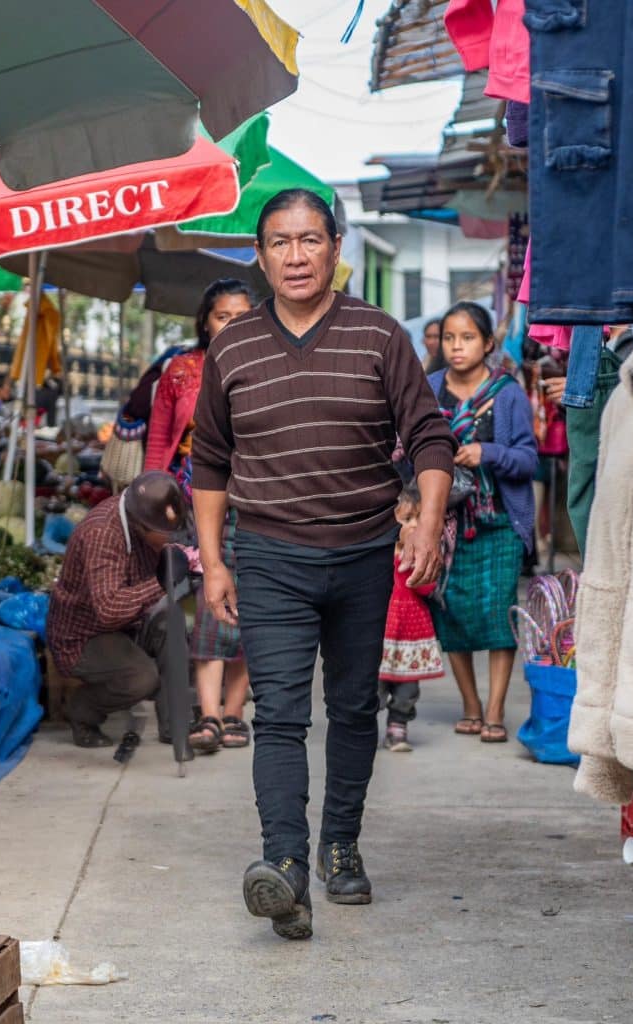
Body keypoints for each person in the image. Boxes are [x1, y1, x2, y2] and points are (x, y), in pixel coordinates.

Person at [191, 188, 455, 940]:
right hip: (270, 556)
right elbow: (209, 460)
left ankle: (340, 845)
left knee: (351, 708)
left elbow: (430, 438)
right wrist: (213, 562)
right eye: (280, 242)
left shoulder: (378, 335)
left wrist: (426, 522)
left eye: (311, 240)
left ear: (337, 247)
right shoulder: (233, 346)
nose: (296, 255)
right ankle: (285, 868)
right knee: (277, 713)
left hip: (365, 553)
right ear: (261, 254)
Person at [145, 279, 256, 754]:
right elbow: (158, 439)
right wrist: (150, 501)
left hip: (255, 506)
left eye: (241, 315)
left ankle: (235, 712)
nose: (232, 324)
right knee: (210, 611)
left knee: (253, 612)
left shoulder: (267, 366)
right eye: (222, 316)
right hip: (191, 507)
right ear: (205, 322)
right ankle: (207, 714)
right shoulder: (181, 370)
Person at [428, 301, 538, 743]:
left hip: (498, 526)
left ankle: (494, 711)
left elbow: (529, 460)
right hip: (446, 528)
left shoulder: (508, 393)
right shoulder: (429, 389)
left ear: (488, 343)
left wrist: (486, 453)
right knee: (451, 615)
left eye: (468, 337)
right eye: (450, 338)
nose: (457, 347)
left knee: (497, 618)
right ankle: (470, 704)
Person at [47, 471, 188, 749]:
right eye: (165, 534)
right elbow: (109, 609)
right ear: (141, 525)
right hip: (83, 636)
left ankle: (176, 724)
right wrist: (161, 582)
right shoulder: (102, 534)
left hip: (128, 626)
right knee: (141, 678)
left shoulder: (143, 521)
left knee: (173, 622)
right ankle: (82, 712)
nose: (171, 537)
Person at [378, 482, 444, 753]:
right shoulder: (380, 555)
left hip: (410, 635)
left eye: (418, 518)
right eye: (407, 519)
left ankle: (398, 727)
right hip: (382, 634)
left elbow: (426, 588)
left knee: (407, 689)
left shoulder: (419, 558)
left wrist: (415, 562)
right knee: (372, 687)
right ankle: (361, 728)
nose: (414, 525)